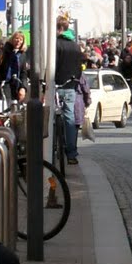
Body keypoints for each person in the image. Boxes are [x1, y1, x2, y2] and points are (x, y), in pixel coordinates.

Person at [56, 16, 85, 166]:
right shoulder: (75, 46)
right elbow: (80, 67)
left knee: (49, 118)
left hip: (55, 86)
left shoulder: (55, 44)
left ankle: (51, 147)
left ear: (59, 29)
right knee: (69, 119)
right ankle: (72, 154)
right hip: (71, 86)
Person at [0, 31, 26, 104]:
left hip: (16, 88)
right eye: (16, 38)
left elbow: (23, 74)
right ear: (12, 39)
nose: (18, 41)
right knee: (4, 110)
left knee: (15, 111)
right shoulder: (2, 51)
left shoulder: (22, 55)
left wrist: (23, 88)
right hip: (3, 86)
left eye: (21, 39)